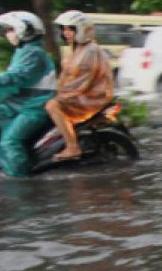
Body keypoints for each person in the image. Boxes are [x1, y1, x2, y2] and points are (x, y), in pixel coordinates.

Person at [0, 11, 57, 178]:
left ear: (23, 30)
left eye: (10, 30)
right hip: (17, 105)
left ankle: (20, 180)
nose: (7, 34)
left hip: (34, 108)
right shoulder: (23, 50)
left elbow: (18, 77)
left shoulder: (34, 53)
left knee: (9, 142)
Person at [44, 11, 114, 161]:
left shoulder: (90, 51)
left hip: (91, 98)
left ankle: (72, 146)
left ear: (81, 30)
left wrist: (58, 95)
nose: (66, 33)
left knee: (52, 105)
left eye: (70, 29)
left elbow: (80, 84)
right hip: (82, 95)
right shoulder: (77, 49)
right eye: (64, 29)